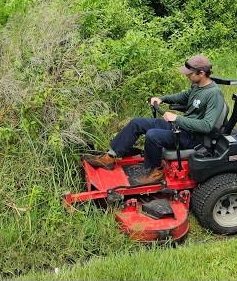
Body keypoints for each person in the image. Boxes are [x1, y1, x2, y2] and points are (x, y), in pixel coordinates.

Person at [84, 55, 225, 185]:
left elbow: (207, 126)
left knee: (153, 135)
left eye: (190, 73)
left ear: (201, 73)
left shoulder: (213, 94)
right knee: (137, 123)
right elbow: (183, 96)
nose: (187, 76)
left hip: (193, 138)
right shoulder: (197, 86)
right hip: (181, 128)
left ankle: (156, 170)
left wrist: (177, 118)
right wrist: (162, 99)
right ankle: (110, 157)